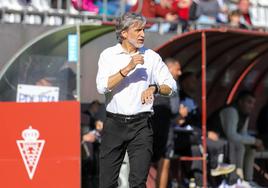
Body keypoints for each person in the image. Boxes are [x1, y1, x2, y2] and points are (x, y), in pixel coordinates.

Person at [96, 12, 177, 188]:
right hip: (114, 124)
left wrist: (155, 88)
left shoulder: (152, 57)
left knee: (138, 182)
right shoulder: (108, 55)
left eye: (144, 30)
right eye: (138, 30)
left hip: (141, 125)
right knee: (106, 183)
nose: (143, 34)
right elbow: (102, 87)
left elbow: (172, 87)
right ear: (124, 33)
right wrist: (128, 67)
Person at [208, 90, 264, 186]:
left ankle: (248, 180)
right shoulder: (231, 110)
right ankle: (238, 179)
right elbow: (232, 136)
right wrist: (254, 141)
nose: (251, 106)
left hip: (226, 142)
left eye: (253, 103)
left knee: (250, 148)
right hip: (214, 141)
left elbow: (243, 134)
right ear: (240, 102)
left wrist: (255, 143)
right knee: (240, 146)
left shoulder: (245, 114)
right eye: (249, 102)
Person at [151, 58, 182, 188]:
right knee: (164, 161)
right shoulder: (172, 84)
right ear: (168, 69)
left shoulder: (151, 82)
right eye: (177, 69)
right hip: (164, 127)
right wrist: (181, 114)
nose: (180, 73)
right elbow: (175, 109)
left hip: (148, 124)